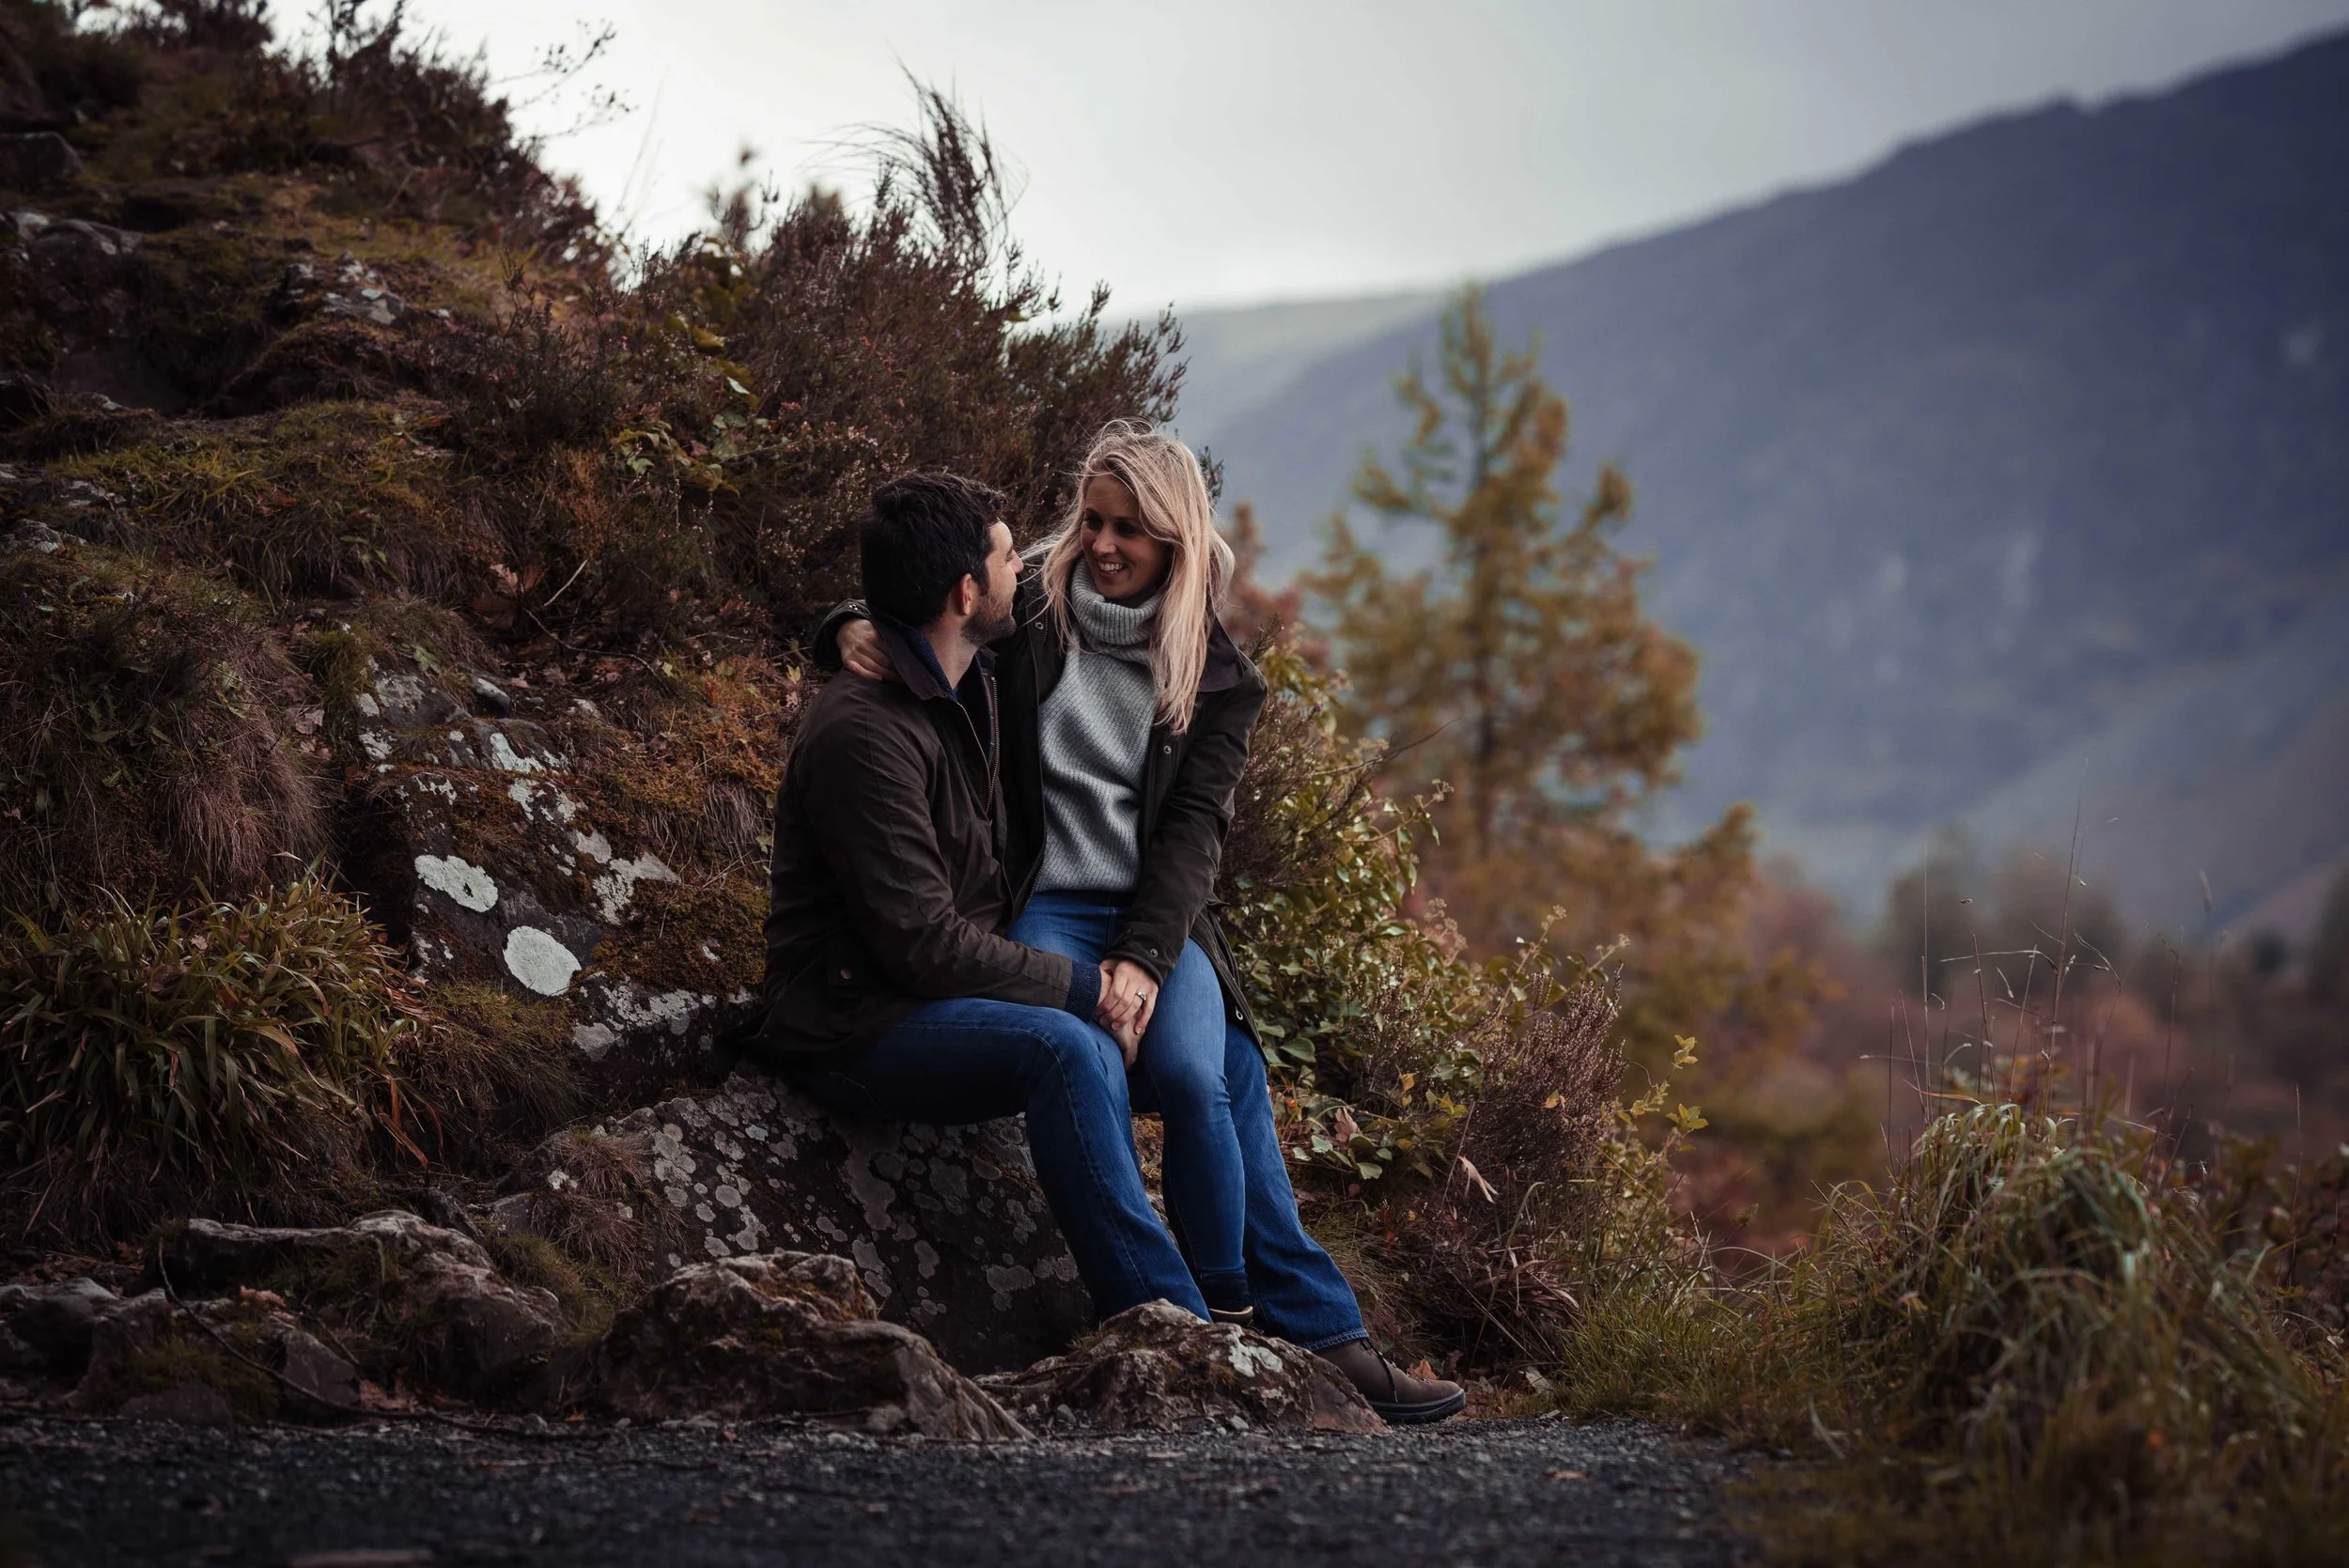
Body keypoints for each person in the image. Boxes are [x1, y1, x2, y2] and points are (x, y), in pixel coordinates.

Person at [816, 425, 1463, 1423]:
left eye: (1133, 530)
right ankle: (1257, 1333)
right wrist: (842, 627)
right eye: (1094, 521)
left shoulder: (1217, 676)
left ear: (1179, 540)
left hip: (1153, 917)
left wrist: (1145, 962)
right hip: (1044, 901)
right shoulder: (1027, 605)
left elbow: (1191, 839)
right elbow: (930, 605)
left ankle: (1247, 1323)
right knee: (1101, 1056)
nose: (1105, 544)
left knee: (1215, 1075)